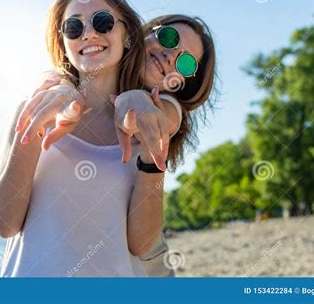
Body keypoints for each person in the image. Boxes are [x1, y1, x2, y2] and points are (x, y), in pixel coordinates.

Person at [0, 0, 172, 276]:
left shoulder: (145, 122)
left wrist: (153, 154)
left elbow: (141, 243)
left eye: (103, 22)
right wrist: (37, 129)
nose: (89, 33)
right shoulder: (30, 109)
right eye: (73, 27)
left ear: (127, 35)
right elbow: (4, 223)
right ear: (63, 43)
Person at [22, 14, 218, 276]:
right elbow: (54, 74)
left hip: (149, 269)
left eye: (184, 62)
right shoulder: (89, 71)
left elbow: (163, 119)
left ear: (182, 84)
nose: (171, 56)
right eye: (168, 38)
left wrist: (138, 101)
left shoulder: (170, 109)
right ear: (141, 34)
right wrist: (60, 84)